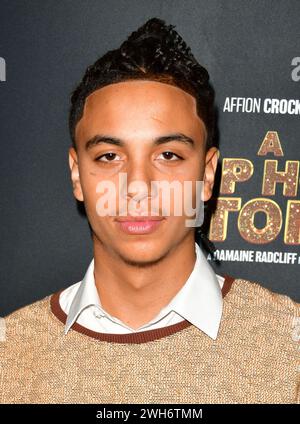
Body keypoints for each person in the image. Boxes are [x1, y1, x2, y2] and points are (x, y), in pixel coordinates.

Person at [0, 17, 299, 404]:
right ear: (77, 175)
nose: (138, 186)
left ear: (207, 175)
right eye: (109, 156)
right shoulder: (10, 355)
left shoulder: (289, 351)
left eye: (169, 155)